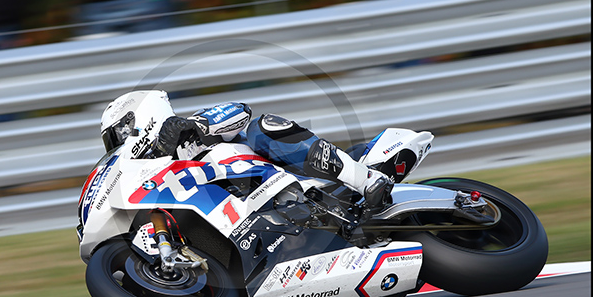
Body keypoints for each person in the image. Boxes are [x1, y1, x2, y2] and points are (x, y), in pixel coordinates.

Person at [100, 91, 393, 210]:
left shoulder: (191, 127)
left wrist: (197, 125)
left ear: (137, 118)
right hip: (246, 210)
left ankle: (366, 178)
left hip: (292, 181)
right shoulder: (154, 175)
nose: (119, 143)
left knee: (261, 127)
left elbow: (240, 110)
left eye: (119, 135)